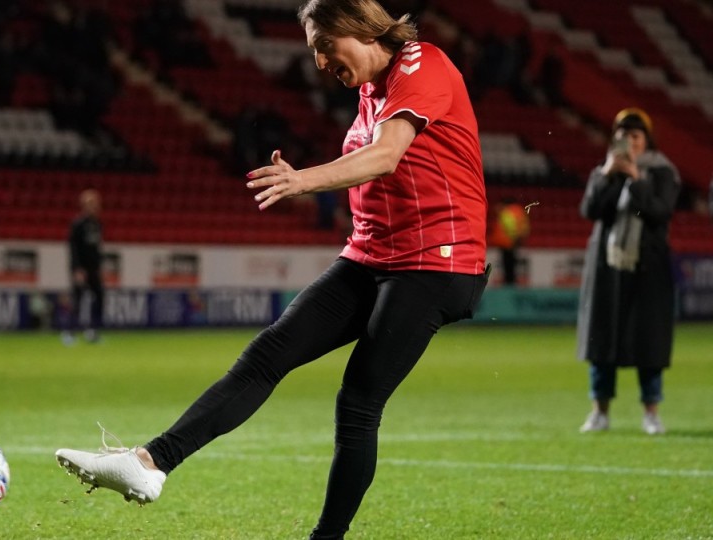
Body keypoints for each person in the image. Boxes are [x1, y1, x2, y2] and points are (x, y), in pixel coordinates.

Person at [55, 1, 490, 537]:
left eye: (324, 47)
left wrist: (303, 181)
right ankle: (147, 465)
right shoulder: (370, 92)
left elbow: (386, 156)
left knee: (358, 401)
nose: (320, 64)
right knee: (266, 355)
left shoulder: (422, 64)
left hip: (436, 263)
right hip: (373, 257)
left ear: (355, 27)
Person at [576, 107, 680, 436]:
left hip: (647, 267)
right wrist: (609, 173)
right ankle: (600, 411)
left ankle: (651, 412)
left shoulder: (662, 172)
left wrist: (635, 179)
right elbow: (591, 210)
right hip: (607, 267)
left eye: (635, 136)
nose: (629, 141)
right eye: (622, 135)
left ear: (647, 140)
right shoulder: (604, 171)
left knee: (648, 342)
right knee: (602, 340)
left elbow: (658, 213)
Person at [62, 188, 104, 344]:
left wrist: (98, 266)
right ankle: (69, 332)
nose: (94, 207)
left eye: (96, 203)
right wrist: (77, 268)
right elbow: (73, 248)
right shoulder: (78, 224)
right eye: (90, 203)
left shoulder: (97, 224)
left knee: (99, 298)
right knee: (77, 300)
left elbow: (97, 248)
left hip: (93, 268)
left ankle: (92, 331)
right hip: (81, 268)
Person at [488, 197, 530, 285]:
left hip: (507, 242)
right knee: (512, 263)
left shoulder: (506, 212)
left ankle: (509, 282)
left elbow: (509, 226)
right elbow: (524, 225)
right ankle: (512, 281)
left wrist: (513, 238)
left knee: (507, 263)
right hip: (514, 241)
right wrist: (519, 237)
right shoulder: (519, 211)